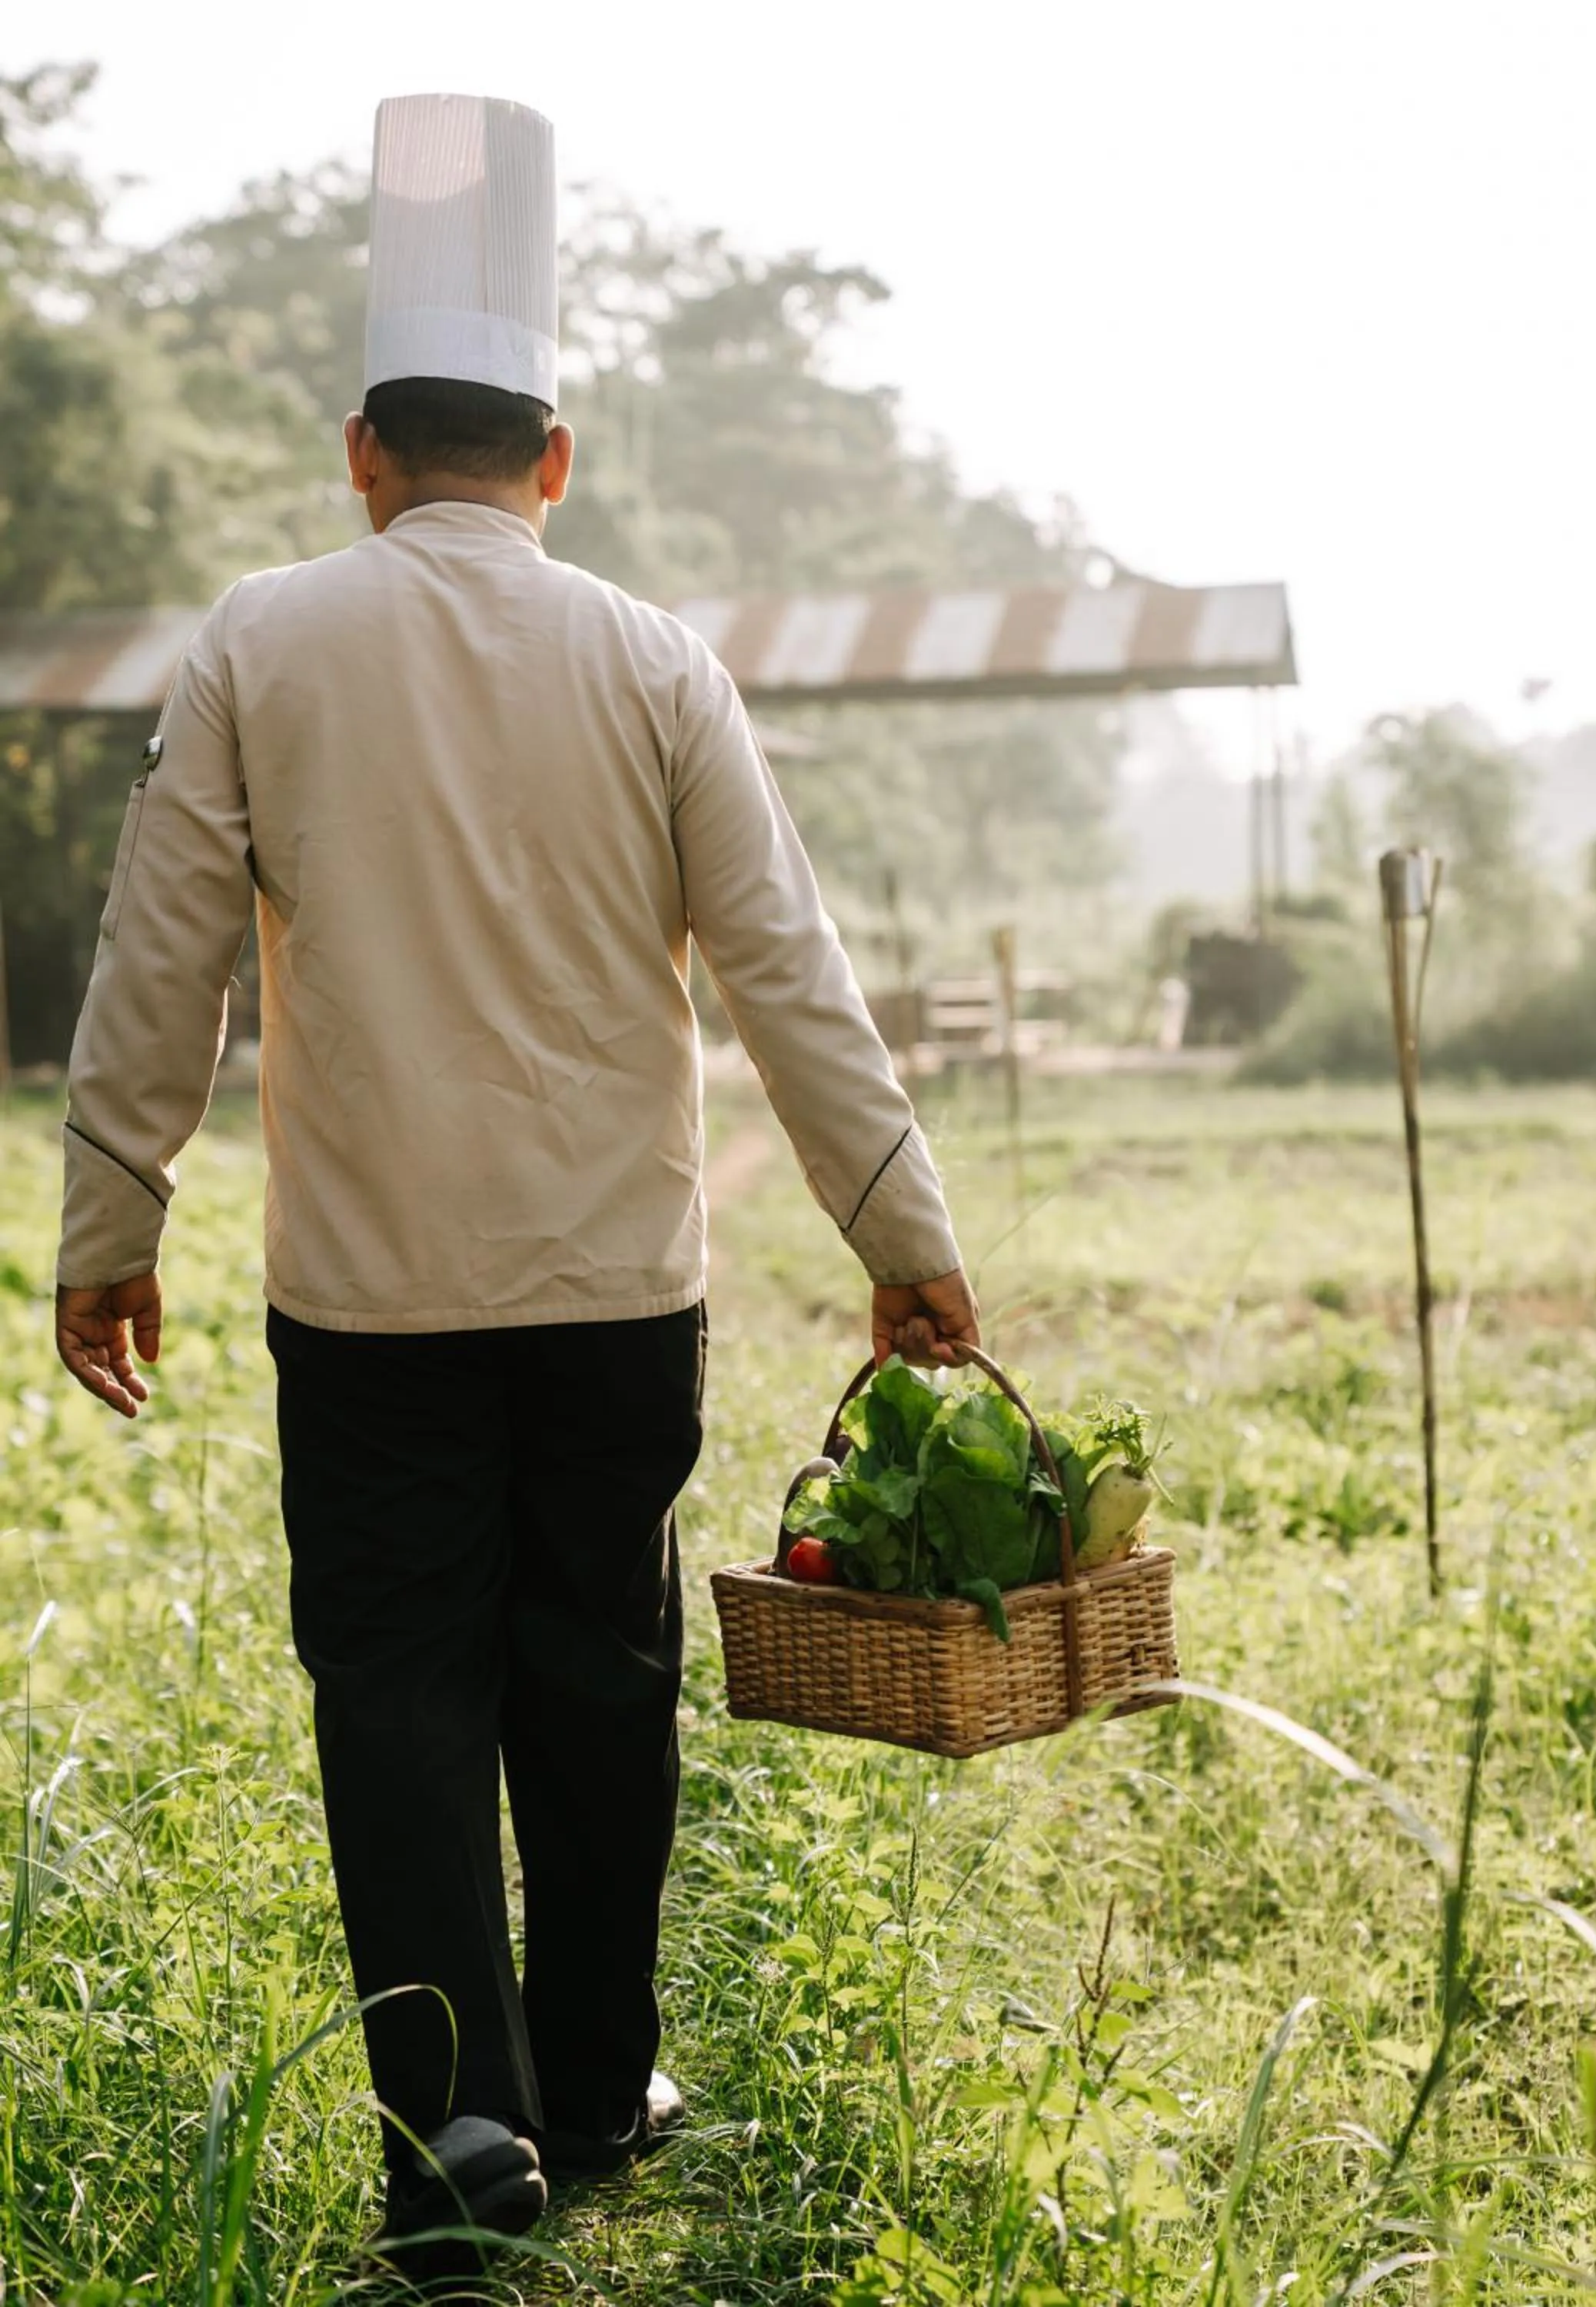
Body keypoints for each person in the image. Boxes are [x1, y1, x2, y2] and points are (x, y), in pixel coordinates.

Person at [52, 92, 979, 2287]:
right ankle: (591, 2082)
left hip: (363, 1306)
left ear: (361, 449)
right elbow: (788, 973)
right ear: (554, 462)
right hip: (611, 1293)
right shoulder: (659, 662)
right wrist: (903, 1231)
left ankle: (454, 2132)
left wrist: (110, 1232)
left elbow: (151, 975)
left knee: (393, 1690)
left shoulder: (260, 643)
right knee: (596, 1669)